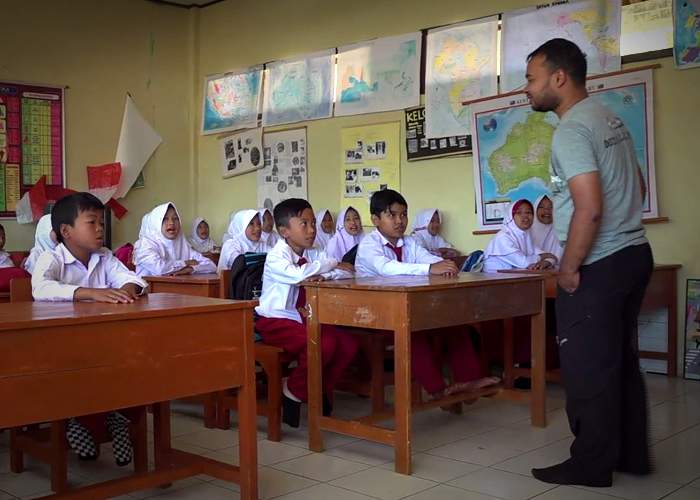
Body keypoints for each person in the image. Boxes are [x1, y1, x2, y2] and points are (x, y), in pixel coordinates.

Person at [524, 38, 653, 487]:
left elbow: (589, 207)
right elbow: (636, 182)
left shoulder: (572, 129)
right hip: (634, 254)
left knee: (588, 369)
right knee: (620, 361)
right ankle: (632, 456)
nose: (527, 88)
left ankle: (592, 464)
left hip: (600, 262)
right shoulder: (609, 117)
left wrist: (569, 266)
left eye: (531, 78)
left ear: (559, 78)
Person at [32, 192, 149, 465]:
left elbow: (134, 278)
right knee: (86, 369)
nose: (100, 229)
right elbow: (40, 288)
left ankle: (114, 419)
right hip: (62, 347)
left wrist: (126, 289)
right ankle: (85, 422)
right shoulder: (52, 259)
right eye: (92, 222)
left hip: (104, 340)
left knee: (136, 363)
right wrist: (90, 293)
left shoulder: (105, 257)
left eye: (102, 223)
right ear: (66, 231)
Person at [356, 189, 500, 403]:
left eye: (403, 214)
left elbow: (429, 260)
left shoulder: (409, 242)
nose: (399, 221)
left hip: (404, 308)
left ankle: (468, 381)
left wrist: (444, 266)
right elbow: (387, 268)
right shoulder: (369, 245)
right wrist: (429, 268)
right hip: (374, 315)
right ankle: (438, 391)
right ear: (376, 219)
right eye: (392, 215)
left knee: (452, 321)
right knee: (411, 331)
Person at [254, 199, 358, 428]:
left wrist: (325, 271)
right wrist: (330, 265)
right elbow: (297, 275)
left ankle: (318, 389)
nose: (312, 229)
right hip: (274, 319)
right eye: (304, 223)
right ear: (285, 231)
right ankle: (293, 390)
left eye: (313, 223)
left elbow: (346, 274)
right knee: (325, 343)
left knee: (349, 344)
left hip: (301, 316)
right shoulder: (276, 256)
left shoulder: (313, 253)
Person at [134, 202, 217, 276]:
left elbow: (211, 265)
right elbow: (160, 269)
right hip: (150, 292)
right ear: (156, 223)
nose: (171, 223)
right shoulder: (144, 245)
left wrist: (191, 269)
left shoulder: (182, 244)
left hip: (176, 290)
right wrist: (185, 263)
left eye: (175, 218)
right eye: (165, 219)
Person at [482, 199, 557, 272]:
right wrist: (543, 256)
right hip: (494, 281)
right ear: (511, 217)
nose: (525, 216)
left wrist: (547, 262)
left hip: (516, 278)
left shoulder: (526, 236)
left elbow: (551, 257)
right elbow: (524, 263)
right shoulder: (503, 237)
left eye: (528, 212)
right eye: (519, 213)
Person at [531, 195, 563, 262]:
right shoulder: (526, 232)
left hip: (556, 270)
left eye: (551, 207)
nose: (546, 210)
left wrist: (549, 261)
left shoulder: (562, 232)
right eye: (541, 207)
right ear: (535, 209)